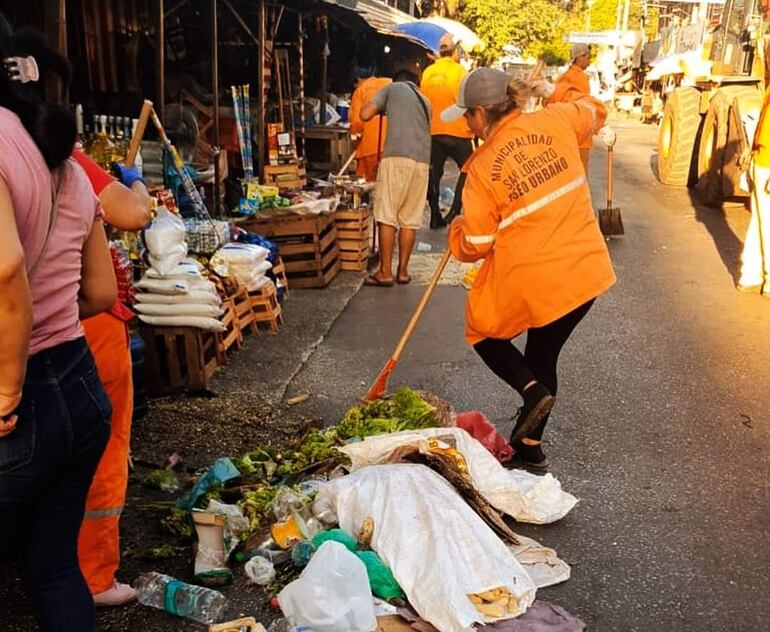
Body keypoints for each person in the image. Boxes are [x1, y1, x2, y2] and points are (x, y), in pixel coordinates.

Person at [0, 15, 117, 631]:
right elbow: (99, 291)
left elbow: (5, 267)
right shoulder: (69, 168)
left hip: (16, 410)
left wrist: (6, 389)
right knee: (52, 567)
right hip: (78, 386)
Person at [443, 68, 616, 469]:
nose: (467, 123)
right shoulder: (555, 119)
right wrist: (554, 94)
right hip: (585, 274)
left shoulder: (482, 168)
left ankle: (530, 393)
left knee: (482, 329)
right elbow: (595, 109)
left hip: (538, 279)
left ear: (483, 114)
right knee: (543, 354)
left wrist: (456, 232)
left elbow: (476, 245)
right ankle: (530, 445)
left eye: (468, 115)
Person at [72, 150, 153, 606]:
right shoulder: (55, 153)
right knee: (100, 450)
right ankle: (94, 576)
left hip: (22, 327)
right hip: (81, 324)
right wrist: (134, 181)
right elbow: (134, 213)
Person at [360, 69, 431, 286]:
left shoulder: (391, 88)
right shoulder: (426, 102)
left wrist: (383, 106)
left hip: (397, 158)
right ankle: (403, 272)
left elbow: (364, 114)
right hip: (422, 161)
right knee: (410, 218)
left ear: (398, 80)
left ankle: (384, 272)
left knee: (387, 215)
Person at [421, 34, 474, 228]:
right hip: (458, 129)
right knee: (468, 171)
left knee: (433, 174)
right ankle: (454, 211)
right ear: (454, 52)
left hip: (434, 130)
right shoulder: (460, 72)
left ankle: (435, 215)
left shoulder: (427, 73)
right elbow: (467, 99)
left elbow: (424, 100)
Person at [737, 83, 770, 295]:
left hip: (762, 164)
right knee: (765, 222)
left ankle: (750, 275)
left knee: (760, 221)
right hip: (765, 165)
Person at [550, 43, 593, 174]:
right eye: (587, 57)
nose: (589, 60)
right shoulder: (579, 77)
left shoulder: (562, 77)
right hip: (579, 134)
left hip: (563, 131)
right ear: (580, 57)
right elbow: (583, 105)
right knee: (579, 173)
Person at [349, 67, 391, 182]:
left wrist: (355, 142)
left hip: (370, 147)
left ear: (357, 80)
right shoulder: (390, 83)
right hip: (394, 147)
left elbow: (357, 123)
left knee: (365, 184)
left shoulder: (360, 90)